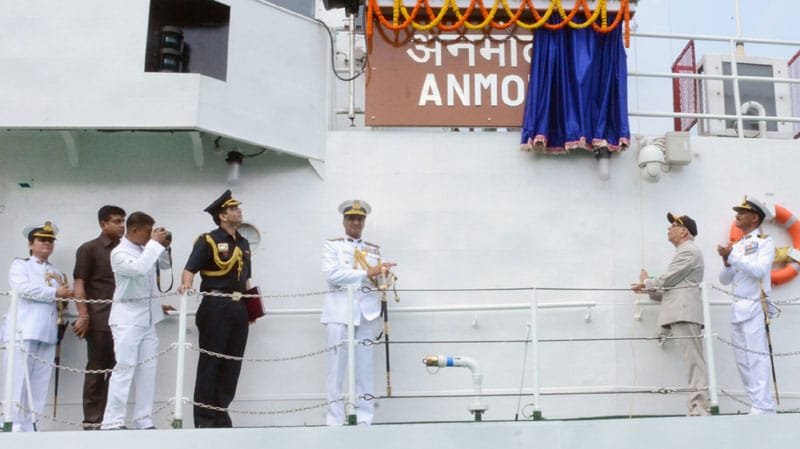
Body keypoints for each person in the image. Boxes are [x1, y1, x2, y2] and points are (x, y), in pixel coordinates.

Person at [179, 190, 252, 428]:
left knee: (232, 363)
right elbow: (190, 268)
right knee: (211, 362)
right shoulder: (209, 240)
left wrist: (251, 308)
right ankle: (204, 418)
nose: (239, 211)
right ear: (222, 215)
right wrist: (186, 286)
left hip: (238, 306)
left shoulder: (243, 242)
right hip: (215, 305)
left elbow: (246, 279)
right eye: (234, 208)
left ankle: (221, 412)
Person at [321, 200, 396, 426]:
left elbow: (375, 279)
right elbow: (332, 275)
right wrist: (368, 272)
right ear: (344, 221)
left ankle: (365, 420)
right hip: (339, 313)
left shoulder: (373, 250)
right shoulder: (332, 246)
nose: (356, 222)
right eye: (351, 218)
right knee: (336, 371)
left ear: (364, 222)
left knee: (364, 370)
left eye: (360, 219)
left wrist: (384, 276)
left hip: (365, 314)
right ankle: (334, 420)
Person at [632, 213, 709, 416]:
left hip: (684, 311)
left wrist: (647, 283)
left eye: (673, 225)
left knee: (694, 360)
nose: (669, 229)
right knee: (691, 360)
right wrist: (649, 288)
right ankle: (696, 404)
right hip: (680, 310)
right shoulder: (684, 252)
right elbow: (671, 288)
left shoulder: (689, 251)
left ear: (683, 230)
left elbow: (669, 280)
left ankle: (699, 405)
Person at [100, 212, 170, 430]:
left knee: (148, 370)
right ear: (135, 231)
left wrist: (164, 246)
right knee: (124, 368)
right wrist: (154, 245)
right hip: (127, 319)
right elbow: (139, 269)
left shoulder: (145, 249)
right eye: (148, 232)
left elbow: (164, 266)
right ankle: (112, 420)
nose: (151, 236)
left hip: (148, 318)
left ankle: (143, 419)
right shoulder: (119, 253)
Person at [2, 222, 73, 432]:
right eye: (42, 240)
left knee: (39, 381)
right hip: (23, 329)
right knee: (16, 380)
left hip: (48, 331)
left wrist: (64, 299)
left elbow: (59, 301)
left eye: (50, 241)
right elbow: (22, 289)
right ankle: (11, 423)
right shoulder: (20, 265)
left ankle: (32, 425)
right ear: (30, 244)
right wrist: (54, 293)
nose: (47, 244)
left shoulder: (56, 271)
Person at [717, 196, 777, 415]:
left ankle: (763, 405)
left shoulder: (765, 242)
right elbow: (725, 279)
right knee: (742, 359)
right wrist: (727, 262)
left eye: (742, 212)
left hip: (754, 306)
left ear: (754, 217)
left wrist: (733, 256)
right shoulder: (738, 245)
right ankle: (756, 402)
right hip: (737, 306)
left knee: (757, 356)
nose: (737, 216)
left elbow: (760, 271)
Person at [72, 205, 126, 430]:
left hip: (124, 318)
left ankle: (112, 419)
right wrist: (83, 315)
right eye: (116, 221)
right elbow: (79, 283)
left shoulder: (127, 250)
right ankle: (92, 421)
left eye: (123, 221)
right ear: (103, 224)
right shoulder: (89, 249)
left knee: (119, 371)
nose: (122, 226)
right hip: (100, 318)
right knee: (97, 369)